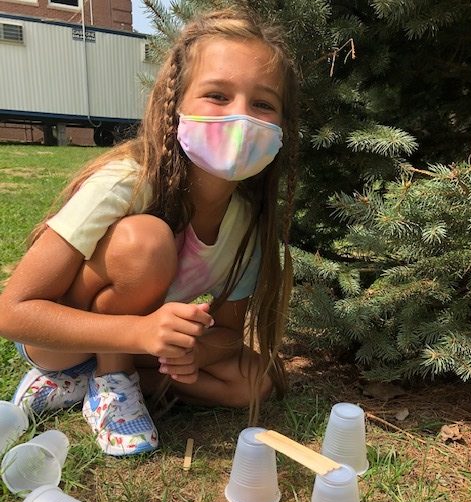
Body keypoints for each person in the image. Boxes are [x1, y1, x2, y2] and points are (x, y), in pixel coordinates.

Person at [0, 8, 299, 456]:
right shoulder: (126, 181)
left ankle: (94, 384)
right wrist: (140, 332)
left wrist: (194, 354)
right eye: (217, 95)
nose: (241, 117)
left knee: (254, 382)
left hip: (140, 343)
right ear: (175, 106)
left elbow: (228, 332)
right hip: (60, 343)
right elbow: (13, 312)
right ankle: (106, 380)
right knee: (144, 242)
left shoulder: (246, 224)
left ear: (281, 125)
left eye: (262, 103)